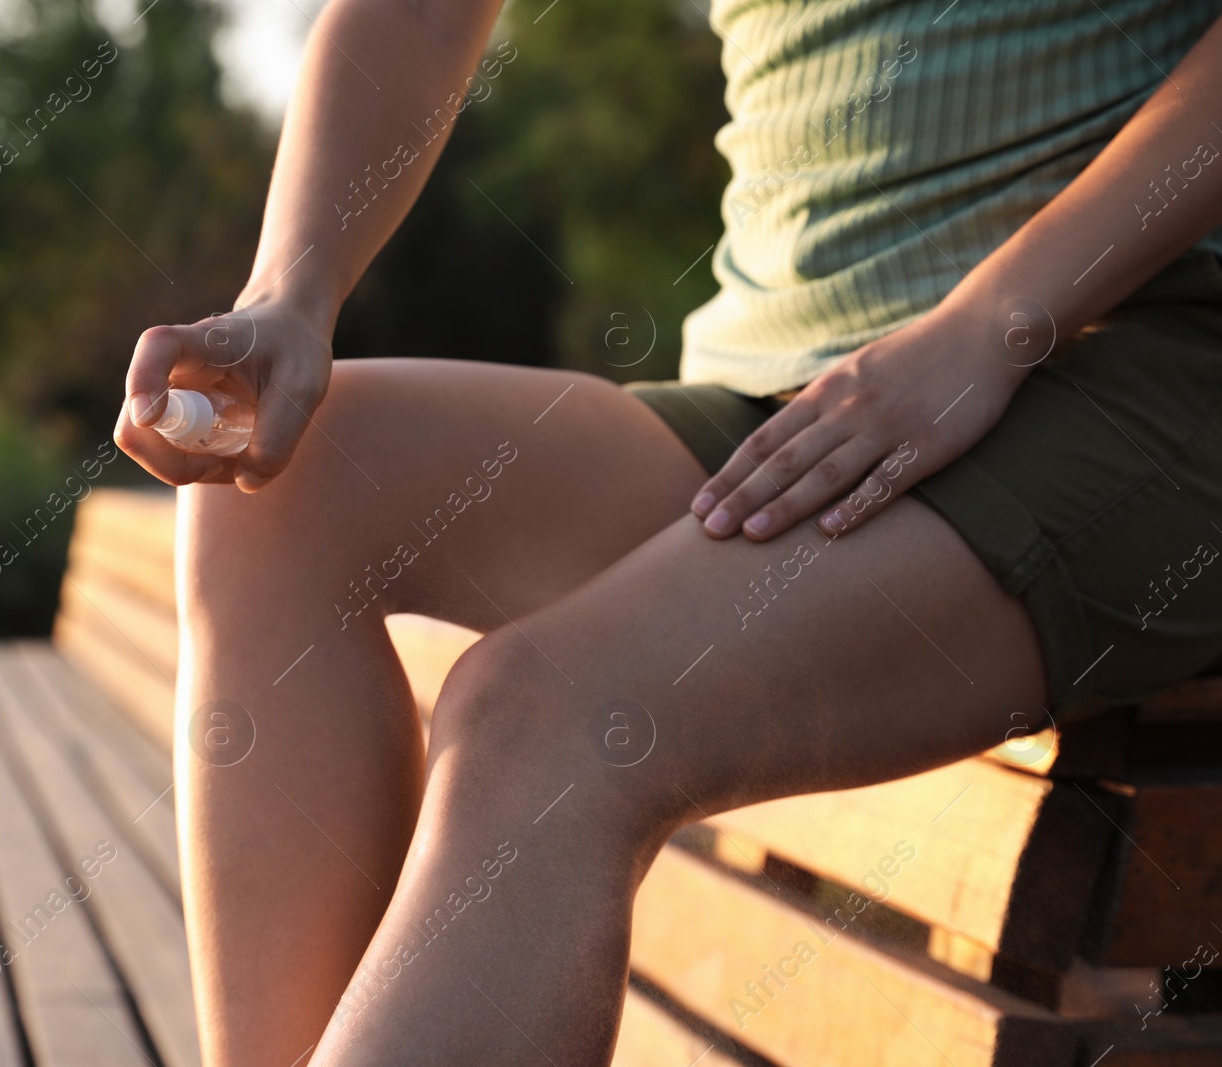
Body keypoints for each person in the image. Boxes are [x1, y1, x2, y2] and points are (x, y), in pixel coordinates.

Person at [112, 0, 1222, 1062]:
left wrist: (995, 322)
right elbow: (418, 13)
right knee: (270, 488)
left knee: (548, 715)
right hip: (792, 390)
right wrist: (290, 292)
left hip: (1133, 353)